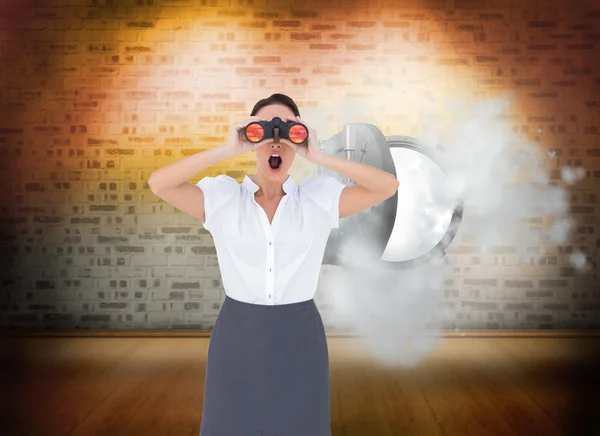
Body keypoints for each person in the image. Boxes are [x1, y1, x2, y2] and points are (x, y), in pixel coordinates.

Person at [148, 93, 399, 436]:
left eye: (288, 133)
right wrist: (228, 148)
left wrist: (319, 154)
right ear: (251, 139)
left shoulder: (318, 198)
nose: (276, 142)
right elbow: (158, 184)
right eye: (264, 132)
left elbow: (387, 186)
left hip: (300, 337)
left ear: (299, 141)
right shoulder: (222, 199)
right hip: (237, 337)